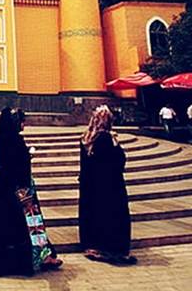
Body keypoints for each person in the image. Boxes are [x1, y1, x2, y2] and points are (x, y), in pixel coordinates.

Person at [0, 107, 62, 277]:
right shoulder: (16, 142)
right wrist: (28, 156)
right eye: (22, 121)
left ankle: (35, 257)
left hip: (5, 196)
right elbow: (18, 168)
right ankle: (42, 257)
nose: (24, 125)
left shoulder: (2, 142)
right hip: (22, 194)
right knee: (32, 224)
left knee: (9, 229)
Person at [79, 105, 136, 265]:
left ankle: (92, 244)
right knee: (111, 216)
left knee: (94, 214)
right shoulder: (106, 139)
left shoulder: (86, 137)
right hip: (110, 185)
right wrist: (116, 142)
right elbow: (118, 161)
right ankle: (111, 248)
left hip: (90, 184)